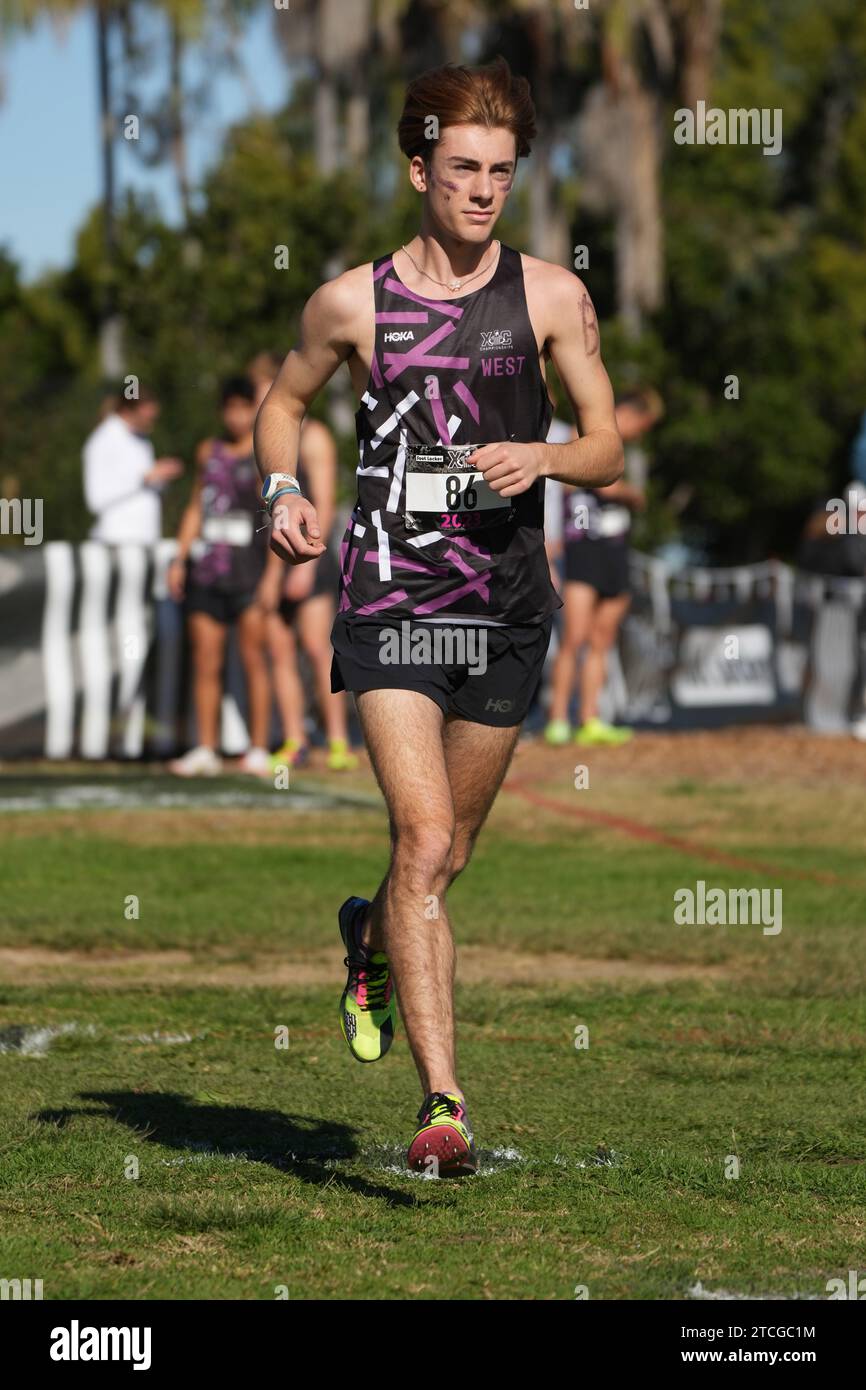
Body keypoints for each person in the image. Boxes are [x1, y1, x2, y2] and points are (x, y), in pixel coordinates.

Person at [254, 57, 623, 1175]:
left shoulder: (552, 296)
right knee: (421, 836)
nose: (482, 191)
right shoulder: (350, 300)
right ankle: (444, 1105)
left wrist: (545, 456)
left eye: (500, 172)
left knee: (445, 854)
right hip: (391, 606)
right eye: (461, 168)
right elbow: (282, 402)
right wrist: (282, 489)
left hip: (505, 609)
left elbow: (607, 448)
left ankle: (367, 937)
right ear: (416, 167)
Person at [248, 354, 357, 772]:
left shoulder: (315, 438)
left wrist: (307, 565)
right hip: (273, 558)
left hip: (308, 558)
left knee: (316, 648)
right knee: (278, 651)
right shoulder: (261, 444)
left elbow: (326, 505)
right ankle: (295, 738)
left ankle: (337, 740)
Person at [544, 389, 662, 746]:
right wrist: (631, 493)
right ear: (627, 413)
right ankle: (558, 720)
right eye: (642, 425)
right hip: (583, 550)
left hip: (615, 550)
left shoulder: (615, 446)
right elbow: (604, 484)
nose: (640, 434)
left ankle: (590, 719)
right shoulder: (583, 434)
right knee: (574, 638)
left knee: (601, 639)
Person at [168, 376, 271, 776]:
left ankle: (259, 747)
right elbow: (197, 506)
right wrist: (178, 558)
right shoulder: (207, 453)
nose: (235, 416)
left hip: (250, 571)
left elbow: (275, 517)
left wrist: (272, 579)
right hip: (208, 570)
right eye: (229, 407)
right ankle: (205, 748)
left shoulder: (265, 454)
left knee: (253, 660)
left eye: (243, 407)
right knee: (205, 660)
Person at [83, 386, 183, 544]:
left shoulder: (143, 441)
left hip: (146, 539)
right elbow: (95, 499)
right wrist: (145, 478)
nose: (152, 420)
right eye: (148, 416)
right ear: (129, 411)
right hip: (117, 541)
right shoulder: (103, 440)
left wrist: (161, 477)